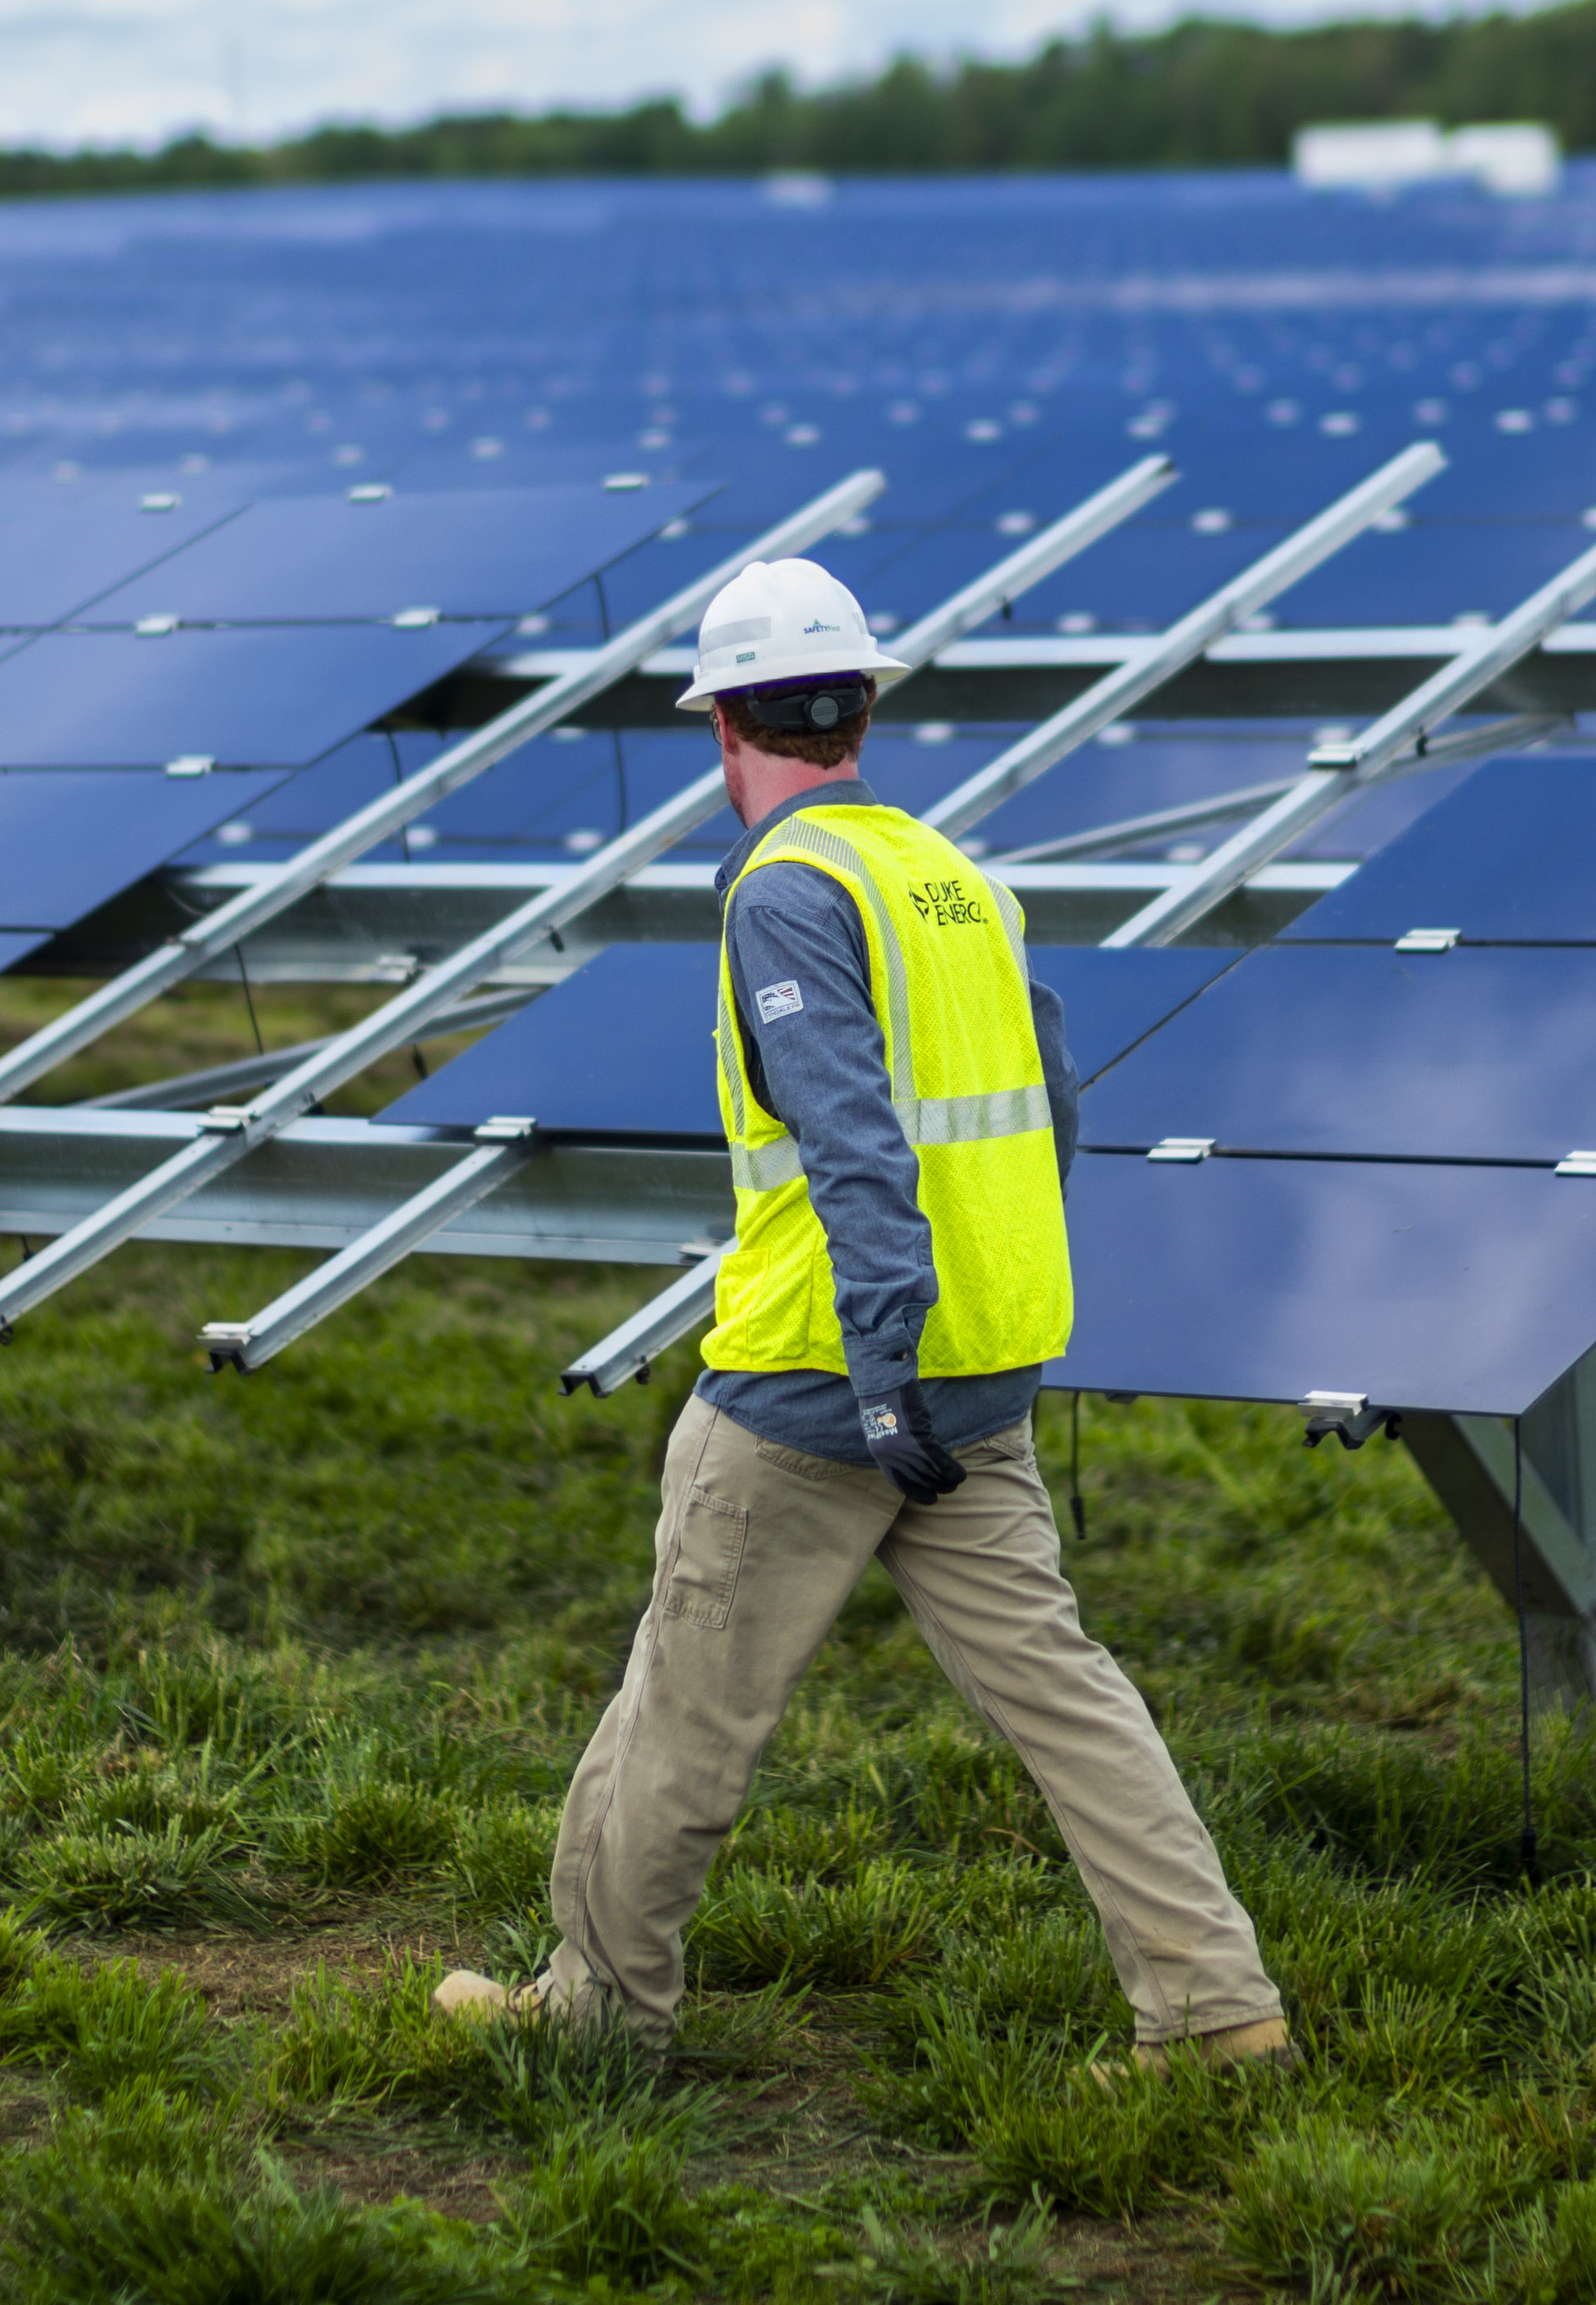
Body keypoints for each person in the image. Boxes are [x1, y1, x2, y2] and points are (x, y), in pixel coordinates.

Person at [442, 554, 1291, 2069]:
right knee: (1070, 1703)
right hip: (981, 1372)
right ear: (861, 714)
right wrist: (954, 1332)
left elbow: (848, 1135)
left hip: (820, 1377)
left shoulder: (787, 892)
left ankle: (597, 2017)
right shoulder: (957, 882)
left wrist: (883, 1361)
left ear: (725, 729)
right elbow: (1053, 1113)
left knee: (687, 1708)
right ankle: (1217, 2014)